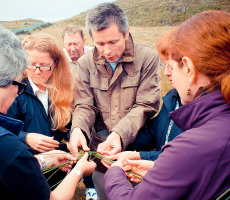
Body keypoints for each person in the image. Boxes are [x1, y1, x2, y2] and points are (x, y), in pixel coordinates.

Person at [0, 21, 96, 200]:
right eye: (16, 83)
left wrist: (44, 160)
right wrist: (78, 171)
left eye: (44, 65)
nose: (18, 91)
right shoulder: (5, 149)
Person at [103, 10, 230, 200]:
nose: (168, 74)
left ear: (188, 68)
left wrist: (115, 172)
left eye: (171, 66)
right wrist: (159, 168)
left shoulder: (193, 145)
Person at [69, 3, 161, 200]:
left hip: (139, 153)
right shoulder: (85, 63)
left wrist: (119, 134)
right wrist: (78, 128)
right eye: (99, 44)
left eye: (113, 41)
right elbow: (84, 104)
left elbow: (147, 104)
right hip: (103, 156)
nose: (106, 50)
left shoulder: (147, 57)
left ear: (126, 33)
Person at [6, 33, 74, 188]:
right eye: (31, 64)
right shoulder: (14, 92)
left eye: (44, 65)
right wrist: (26, 138)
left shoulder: (64, 89)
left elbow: (68, 125)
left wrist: (70, 141)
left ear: (56, 64)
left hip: (60, 170)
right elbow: (2, 130)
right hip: (28, 171)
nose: (37, 71)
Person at [109, 29, 183, 163]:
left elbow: (178, 158)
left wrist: (138, 157)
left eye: (171, 67)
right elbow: (153, 131)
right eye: (164, 65)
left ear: (190, 67)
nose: (166, 72)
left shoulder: (202, 112)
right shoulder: (173, 98)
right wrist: (120, 139)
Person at [62, 24, 97, 200]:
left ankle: (91, 186)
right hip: (68, 113)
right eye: (68, 44)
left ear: (84, 41)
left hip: (90, 112)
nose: (72, 48)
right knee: (73, 147)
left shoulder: (95, 56)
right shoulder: (59, 60)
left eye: (76, 43)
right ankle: (67, 182)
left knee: (89, 148)